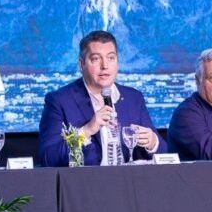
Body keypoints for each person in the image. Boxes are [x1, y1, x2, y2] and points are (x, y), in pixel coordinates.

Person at [38, 30, 167, 167]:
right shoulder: (59, 101)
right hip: (87, 184)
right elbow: (48, 158)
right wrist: (87, 130)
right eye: (96, 59)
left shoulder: (133, 98)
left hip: (130, 182)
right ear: (81, 64)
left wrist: (153, 142)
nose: (105, 66)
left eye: (111, 58)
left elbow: (165, 153)